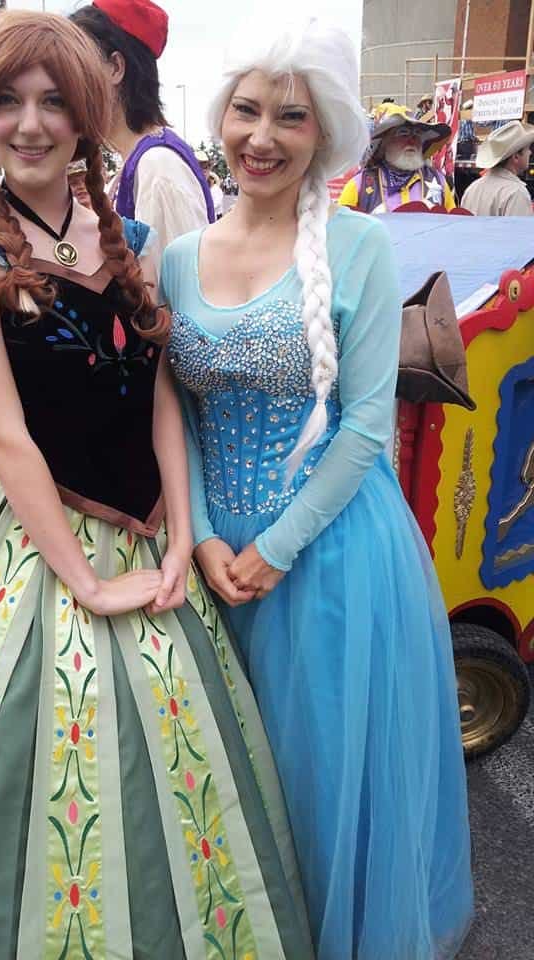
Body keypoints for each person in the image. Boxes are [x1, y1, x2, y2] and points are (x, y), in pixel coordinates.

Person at [0, 13, 314, 959]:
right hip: (34, 543)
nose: (29, 124)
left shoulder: (127, 235)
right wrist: (85, 582)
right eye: (5, 102)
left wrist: (177, 531)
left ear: (88, 117)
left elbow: (163, 396)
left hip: (151, 530)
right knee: (16, 764)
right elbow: (2, 433)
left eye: (54, 102)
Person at [161, 16, 473, 960]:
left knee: (323, 783)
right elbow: (173, 409)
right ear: (222, 117)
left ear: (323, 133)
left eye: (288, 118)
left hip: (331, 554)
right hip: (212, 559)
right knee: (223, 785)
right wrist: (206, 532)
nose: (262, 136)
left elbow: (367, 429)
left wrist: (273, 549)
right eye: (247, 111)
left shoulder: (360, 247)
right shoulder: (179, 257)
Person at [71, 0, 215, 262]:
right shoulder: (139, 164)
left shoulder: (158, 168)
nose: (68, 84)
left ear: (115, 67)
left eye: (77, 66)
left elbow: (177, 294)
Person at [339, 100, 455, 212]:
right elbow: (340, 227)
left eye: (417, 135)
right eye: (403, 134)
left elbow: (453, 225)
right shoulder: (360, 185)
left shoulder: (437, 180)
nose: (412, 141)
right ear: (384, 143)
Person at [461, 119, 534, 216]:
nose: (530, 152)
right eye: (527, 149)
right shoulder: (516, 192)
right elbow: (519, 230)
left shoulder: (472, 188)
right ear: (516, 156)